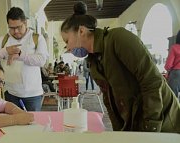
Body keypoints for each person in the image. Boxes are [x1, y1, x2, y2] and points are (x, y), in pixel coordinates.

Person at [60, 2, 180, 132]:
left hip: (164, 121)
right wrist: (118, 132)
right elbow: (109, 100)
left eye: (67, 41)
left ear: (81, 31)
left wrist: (151, 128)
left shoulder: (118, 39)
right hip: (137, 124)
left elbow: (152, 82)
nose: (68, 48)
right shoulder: (94, 60)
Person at [0, 7, 48, 111]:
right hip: (10, 93)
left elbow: (42, 60)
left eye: (19, 27)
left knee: (33, 124)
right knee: (13, 125)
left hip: (33, 94)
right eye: (12, 28)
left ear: (25, 23)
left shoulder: (37, 38)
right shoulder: (4, 40)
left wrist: (20, 55)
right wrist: (5, 51)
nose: (16, 31)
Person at [165, 30, 180, 97]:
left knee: (173, 96)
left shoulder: (174, 47)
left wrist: (167, 69)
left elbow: (168, 65)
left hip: (176, 74)